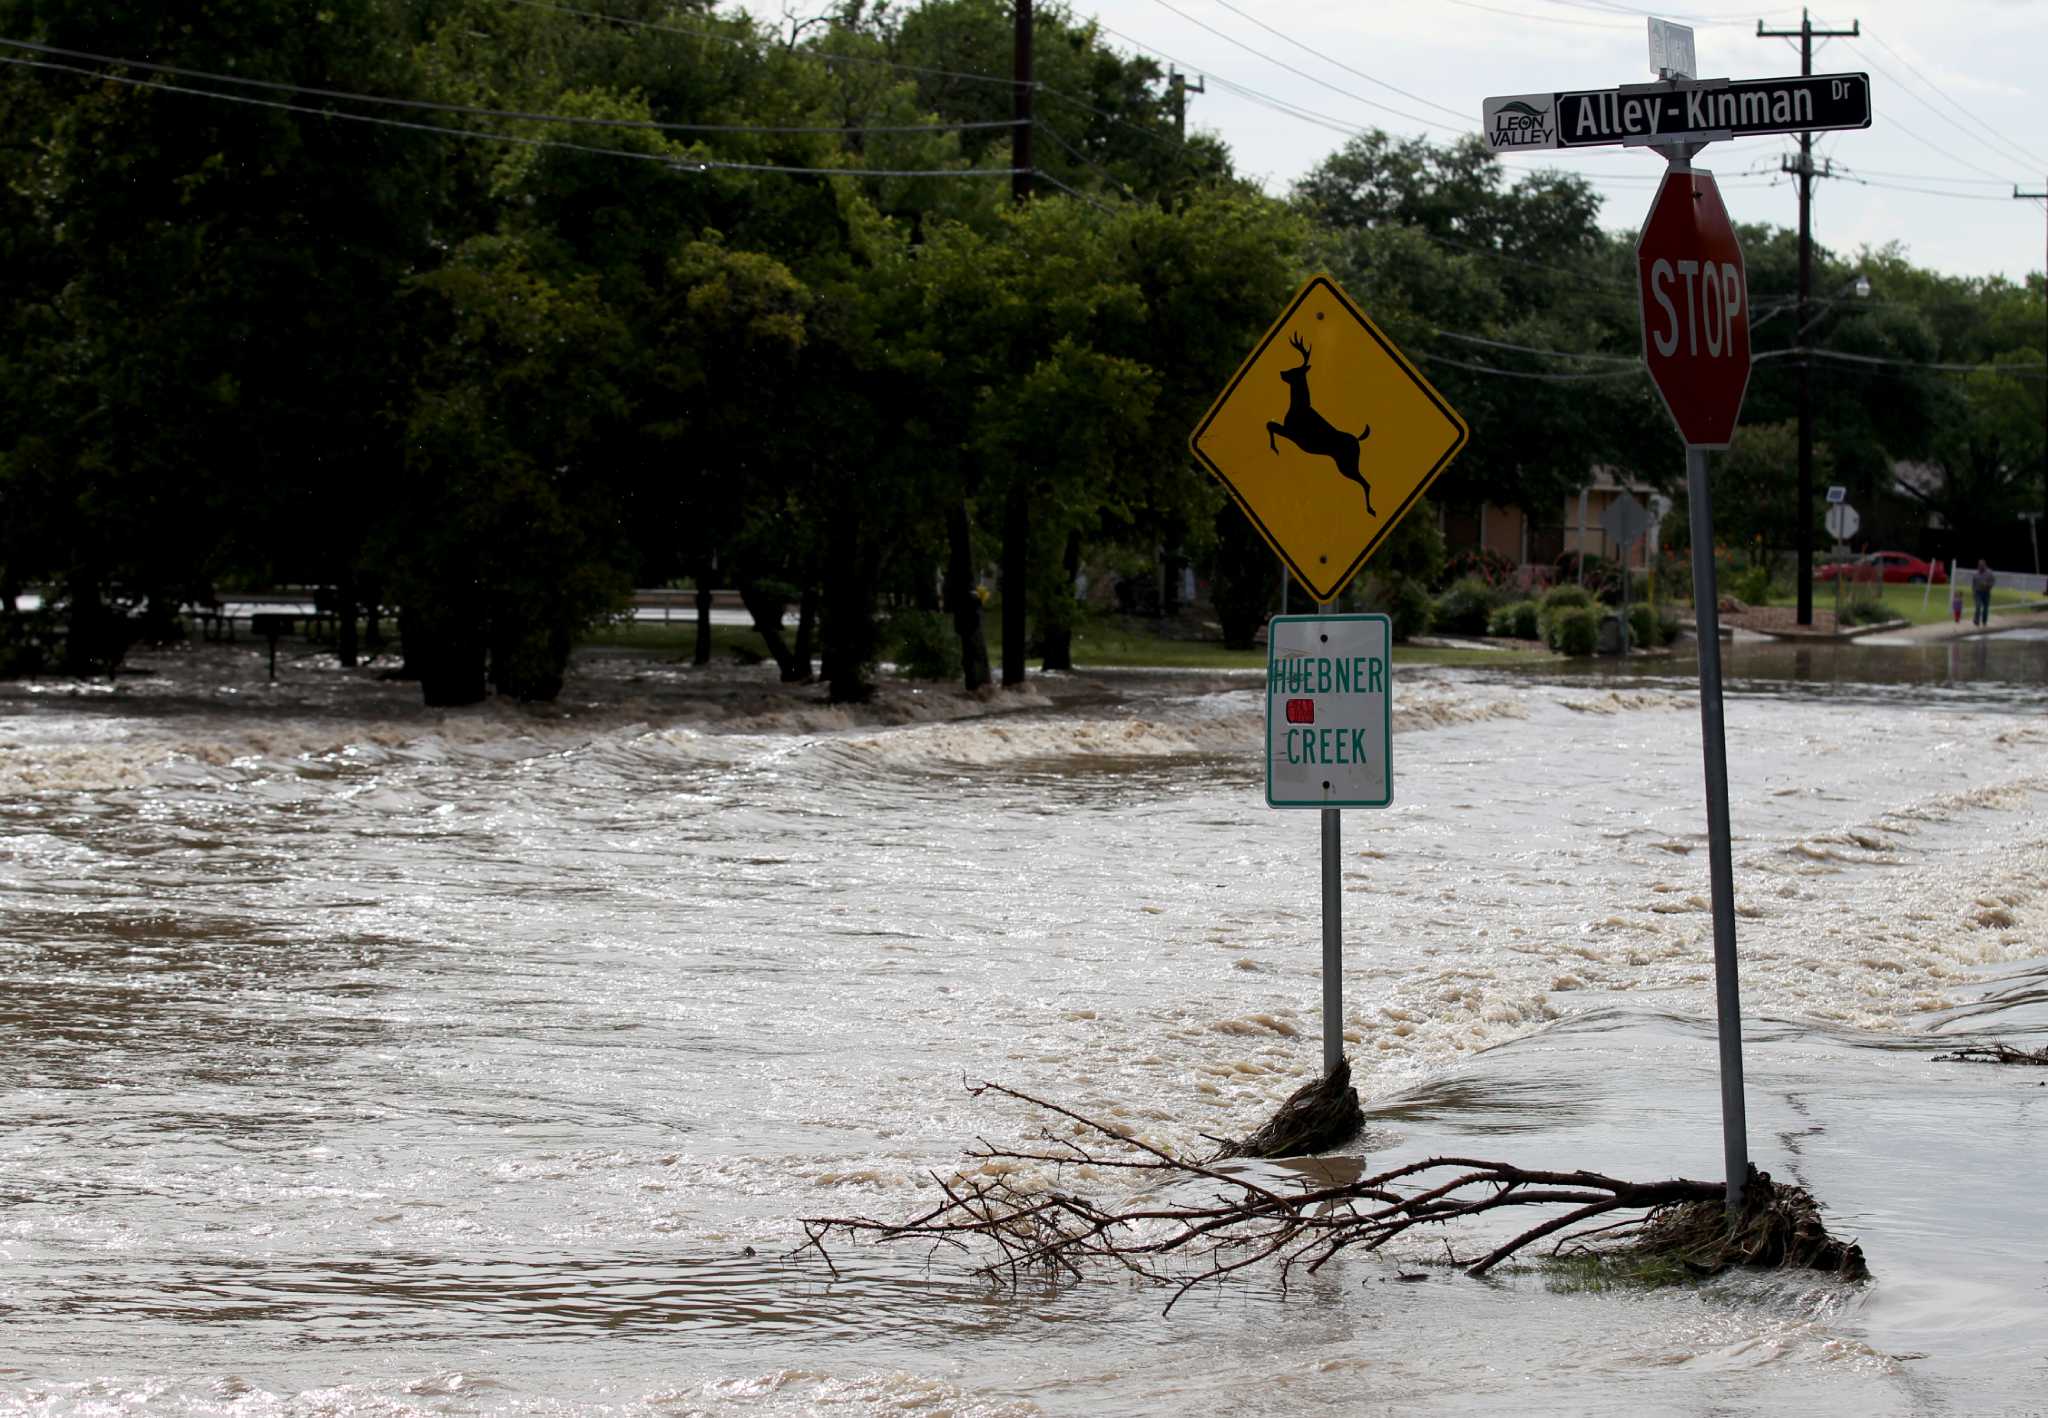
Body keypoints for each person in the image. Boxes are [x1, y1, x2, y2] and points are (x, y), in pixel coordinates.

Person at [1971, 559, 1996, 627]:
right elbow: (1973, 584)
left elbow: (1993, 582)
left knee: (1985, 608)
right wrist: (1973, 592)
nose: (1980, 567)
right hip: (1978, 592)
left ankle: (1984, 621)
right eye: (1979, 565)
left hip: (1986, 592)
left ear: (1985, 565)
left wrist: (1987, 585)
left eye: (1981, 565)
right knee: (1978, 606)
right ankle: (1976, 621)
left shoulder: (1989, 573)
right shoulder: (1976, 574)